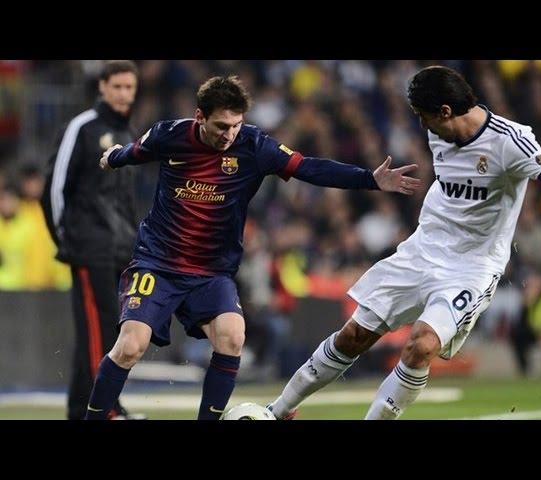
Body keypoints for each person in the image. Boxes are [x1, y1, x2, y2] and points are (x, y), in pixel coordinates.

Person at [267, 65, 541, 420]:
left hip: (470, 268)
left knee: (421, 345)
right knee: (352, 336)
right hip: (422, 249)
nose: (422, 126)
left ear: (445, 111)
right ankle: (277, 411)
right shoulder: (440, 131)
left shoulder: (508, 141)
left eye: (425, 117)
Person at [84, 75, 421, 420]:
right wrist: (114, 157)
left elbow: (308, 168)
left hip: (212, 272)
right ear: (199, 116)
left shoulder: (255, 146)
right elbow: (135, 152)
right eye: (220, 126)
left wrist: (370, 179)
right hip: (157, 263)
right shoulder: (169, 135)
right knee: (130, 346)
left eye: (235, 125)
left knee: (232, 337)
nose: (228, 134)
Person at [41, 60, 145, 420]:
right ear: (102, 87)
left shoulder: (129, 132)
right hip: (89, 248)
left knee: (107, 330)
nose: (123, 94)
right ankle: (107, 409)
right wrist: (67, 241)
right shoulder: (81, 127)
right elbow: (54, 188)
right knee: (98, 329)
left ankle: (83, 408)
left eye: (129, 87)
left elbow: (127, 200)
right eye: (116, 86)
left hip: (120, 250)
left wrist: (135, 243)